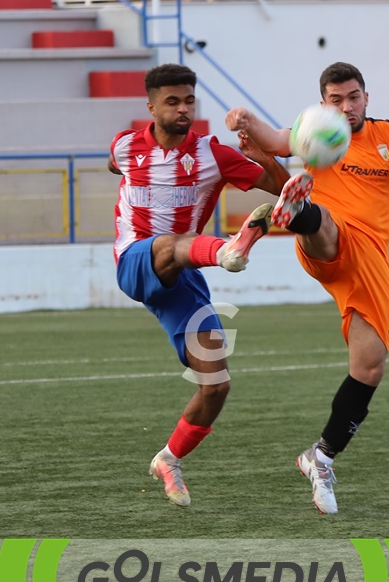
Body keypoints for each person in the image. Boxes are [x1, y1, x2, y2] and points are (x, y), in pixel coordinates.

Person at [226, 62, 389, 514]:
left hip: (370, 261)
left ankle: (321, 457)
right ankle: (296, 211)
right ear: (324, 102)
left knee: (370, 367)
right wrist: (243, 121)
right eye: (336, 99)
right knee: (326, 223)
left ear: (366, 97)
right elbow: (270, 139)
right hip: (328, 240)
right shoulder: (316, 129)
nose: (345, 107)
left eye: (353, 97)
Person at [111, 64, 289, 508]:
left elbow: (284, 192)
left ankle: (169, 460)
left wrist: (264, 156)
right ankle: (230, 249)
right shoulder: (126, 145)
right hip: (136, 259)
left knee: (216, 385)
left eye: (189, 100)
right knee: (171, 243)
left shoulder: (214, 154)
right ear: (151, 107)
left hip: (184, 274)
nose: (183, 109)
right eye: (172, 101)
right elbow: (114, 161)